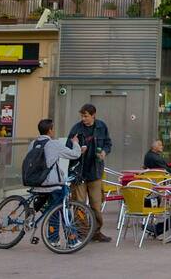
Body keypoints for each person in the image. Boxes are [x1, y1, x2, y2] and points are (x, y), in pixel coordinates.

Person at [68, 103, 112, 242]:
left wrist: (104, 152)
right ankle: (83, 232)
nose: (83, 119)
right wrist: (76, 149)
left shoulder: (101, 126)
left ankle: (96, 232)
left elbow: (108, 143)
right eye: (82, 116)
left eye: (86, 116)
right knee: (79, 204)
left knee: (96, 205)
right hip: (79, 172)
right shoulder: (76, 128)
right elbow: (68, 146)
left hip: (95, 171)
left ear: (93, 115)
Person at [30, 119, 83, 214]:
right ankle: (54, 227)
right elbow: (75, 154)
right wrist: (75, 143)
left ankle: (36, 213)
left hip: (36, 182)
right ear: (50, 130)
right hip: (52, 185)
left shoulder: (33, 144)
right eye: (53, 129)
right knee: (55, 211)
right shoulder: (54, 144)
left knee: (50, 208)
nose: (54, 131)